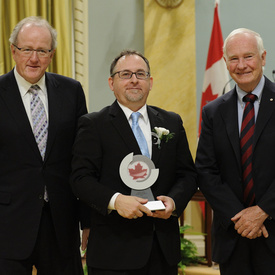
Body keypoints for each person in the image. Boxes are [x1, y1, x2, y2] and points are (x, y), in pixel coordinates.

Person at [71, 49, 197, 275]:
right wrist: (116, 200)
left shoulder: (171, 121)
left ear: (150, 82)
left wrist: (174, 201)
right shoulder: (93, 124)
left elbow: (187, 174)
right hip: (114, 250)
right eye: (125, 74)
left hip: (162, 248)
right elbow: (80, 179)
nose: (134, 80)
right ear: (112, 82)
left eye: (141, 74)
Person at [0, 16, 89, 274]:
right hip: (8, 224)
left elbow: (81, 160)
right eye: (27, 49)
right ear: (14, 51)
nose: (34, 58)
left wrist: (87, 220)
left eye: (42, 50)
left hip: (61, 224)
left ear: (52, 54)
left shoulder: (71, 91)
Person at [195, 28, 275, 275]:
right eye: (234, 58)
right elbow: (206, 170)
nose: (241, 65)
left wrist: (262, 211)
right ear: (225, 62)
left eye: (248, 56)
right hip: (233, 234)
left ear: (263, 58)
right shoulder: (213, 111)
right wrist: (241, 218)